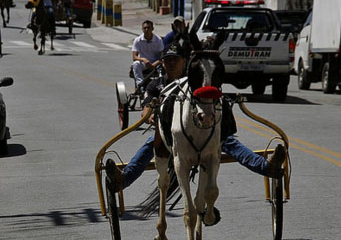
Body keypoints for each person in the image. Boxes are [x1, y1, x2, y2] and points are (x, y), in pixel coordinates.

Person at [106, 46, 286, 192]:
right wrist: (151, 115)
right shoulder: (155, 85)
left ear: (183, 62)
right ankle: (123, 179)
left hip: (205, 130)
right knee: (150, 144)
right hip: (171, 134)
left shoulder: (196, 81)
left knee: (229, 141)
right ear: (162, 63)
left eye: (175, 59)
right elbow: (146, 110)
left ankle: (266, 167)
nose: (171, 63)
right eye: (168, 60)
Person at [132, 20, 164, 90]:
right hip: (144, 63)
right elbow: (134, 57)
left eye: (148, 28)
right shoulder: (138, 40)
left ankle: (161, 84)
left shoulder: (158, 40)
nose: (147, 30)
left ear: (152, 29)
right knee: (136, 64)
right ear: (142, 29)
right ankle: (140, 85)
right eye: (145, 28)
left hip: (156, 63)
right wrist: (143, 59)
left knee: (163, 67)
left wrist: (154, 64)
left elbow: (162, 56)